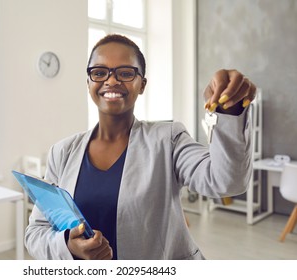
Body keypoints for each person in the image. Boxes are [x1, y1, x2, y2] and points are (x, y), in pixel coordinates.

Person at [25, 34, 257, 260]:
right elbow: (36, 233)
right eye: (99, 72)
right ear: (89, 83)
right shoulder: (62, 152)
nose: (112, 80)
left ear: (142, 84)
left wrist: (228, 111)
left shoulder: (169, 139)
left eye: (126, 73)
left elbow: (227, 181)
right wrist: (69, 246)